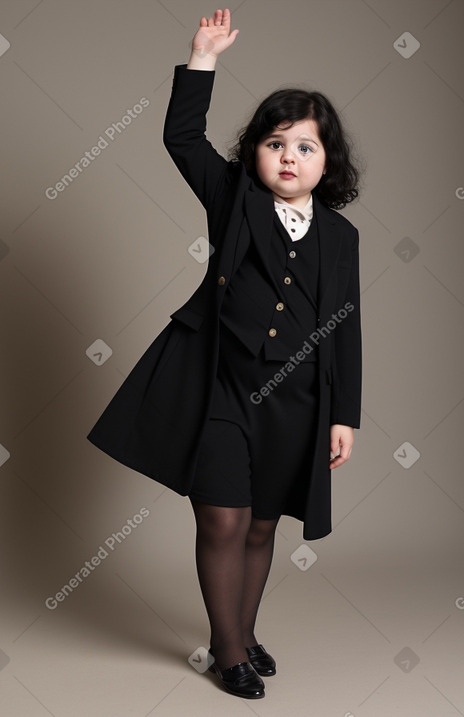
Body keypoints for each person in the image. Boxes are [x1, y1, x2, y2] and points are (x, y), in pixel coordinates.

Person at [87, 7, 362, 700]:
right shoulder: (232, 198)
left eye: (305, 146)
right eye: (276, 143)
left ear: (327, 162)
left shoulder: (341, 237)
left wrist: (345, 414)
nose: (289, 156)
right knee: (224, 515)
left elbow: (346, 325)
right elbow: (181, 137)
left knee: (264, 522)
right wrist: (203, 58)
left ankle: (241, 627)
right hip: (220, 390)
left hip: (297, 403)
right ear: (256, 154)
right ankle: (226, 651)